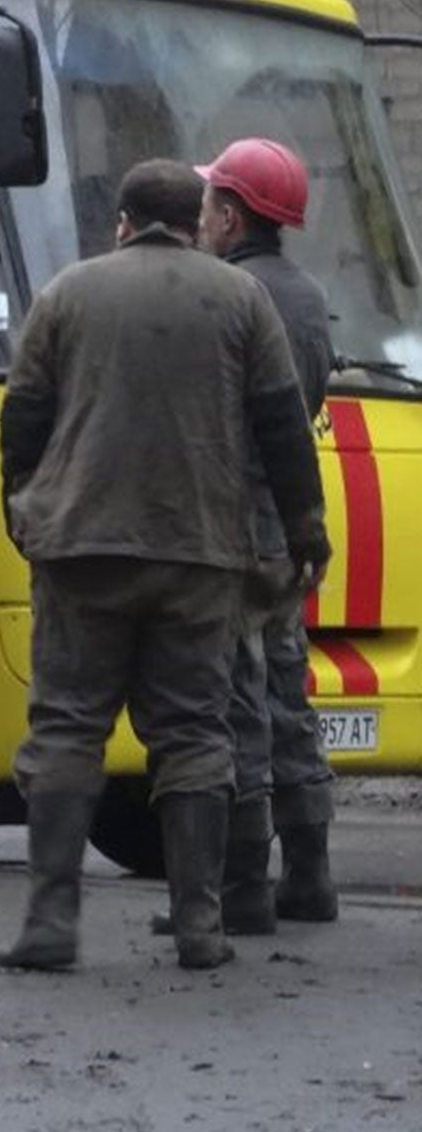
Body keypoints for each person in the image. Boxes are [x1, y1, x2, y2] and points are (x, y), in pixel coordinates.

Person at [0, 159, 330, 972]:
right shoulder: (241, 299)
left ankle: (49, 925)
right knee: (193, 735)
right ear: (195, 221)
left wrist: (24, 505)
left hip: (81, 551)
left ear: (122, 221)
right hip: (199, 555)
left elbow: (22, 416)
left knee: (67, 727)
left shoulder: (67, 293)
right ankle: (200, 927)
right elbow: (283, 427)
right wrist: (305, 532)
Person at [195, 138, 339, 926]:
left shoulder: (230, 295)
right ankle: (310, 874)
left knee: (234, 698)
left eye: (210, 205)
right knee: (289, 689)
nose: (201, 220)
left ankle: (242, 884)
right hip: (286, 525)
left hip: (229, 523)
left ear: (231, 216)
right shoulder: (309, 297)